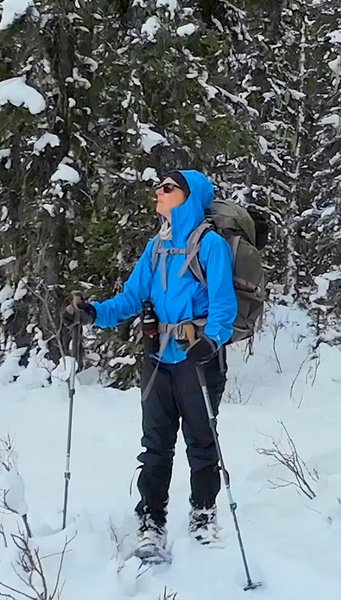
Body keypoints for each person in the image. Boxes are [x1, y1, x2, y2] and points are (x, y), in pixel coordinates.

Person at [65, 169, 237, 560]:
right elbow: (131, 297)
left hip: (198, 359)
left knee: (202, 441)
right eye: (158, 186)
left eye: (168, 187)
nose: (158, 192)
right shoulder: (156, 247)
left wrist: (210, 341)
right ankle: (151, 520)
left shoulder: (210, 246)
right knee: (155, 445)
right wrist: (93, 313)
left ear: (189, 197)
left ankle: (203, 514)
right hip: (158, 357)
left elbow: (224, 304)